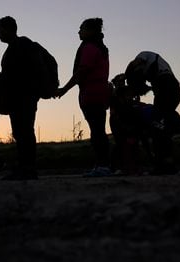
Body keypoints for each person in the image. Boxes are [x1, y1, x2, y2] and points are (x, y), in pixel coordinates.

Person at [56, 18, 111, 177]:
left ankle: (103, 166)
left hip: (92, 93)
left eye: (82, 29)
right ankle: (102, 164)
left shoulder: (89, 48)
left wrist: (64, 89)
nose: (79, 31)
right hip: (98, 92)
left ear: (91, 31)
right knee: (98, 129)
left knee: (97, 131)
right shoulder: (100, 48)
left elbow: (81, 72)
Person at [0, 16, 41, 180]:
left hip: (24, 97)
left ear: (8, 29)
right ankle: (25, 167)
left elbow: (23, 73)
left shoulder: (21, 45)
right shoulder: (14, 47)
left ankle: (27, 168)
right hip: (18, 98)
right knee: (21, 132)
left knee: (25, 131)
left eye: (0, 30)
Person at [125, 51, 180, 175]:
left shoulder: (143, 55)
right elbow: (143, 88)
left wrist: (127, 75)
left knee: (158, 126)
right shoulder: (153, 71)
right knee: (162, 126)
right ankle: (167, 162)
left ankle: (163, 163)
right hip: (171, 89)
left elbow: (134, 64)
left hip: (166, 87)